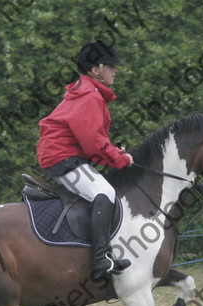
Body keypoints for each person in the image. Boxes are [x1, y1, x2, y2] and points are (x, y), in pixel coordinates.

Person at [36, 41, 133, 277]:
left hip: (64, 155)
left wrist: (115, 153)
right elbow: (93, 143)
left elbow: (95, 139)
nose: (115, 71)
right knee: (105, 194)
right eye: (110, 66)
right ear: (95, 69)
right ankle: (100, 260)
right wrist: (121, 160)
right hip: (63, 157)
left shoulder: (88, 93)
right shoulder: (90, 96)